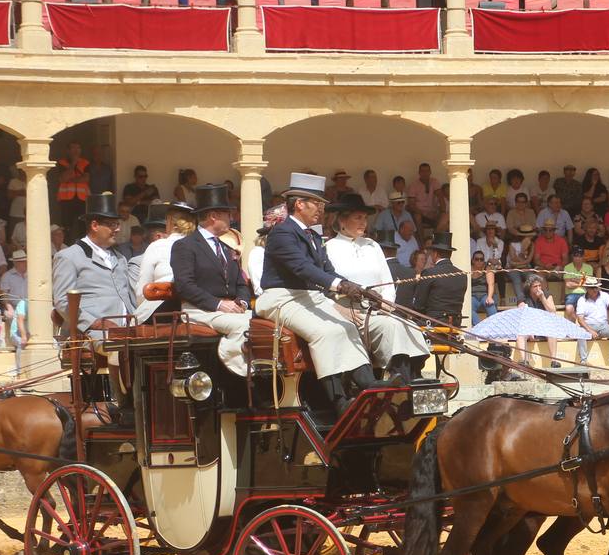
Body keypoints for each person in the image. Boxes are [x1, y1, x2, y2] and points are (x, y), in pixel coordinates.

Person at [254, 173, 382, 422]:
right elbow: (303, 268)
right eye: (317, 203)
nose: (322, 209)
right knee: (326, 331)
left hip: (309, 296)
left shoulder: (313, 235)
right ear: (299, 204)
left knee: (347, 327)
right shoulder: (282, 233)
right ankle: (338, 401)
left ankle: (371, 387)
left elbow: (326, 270)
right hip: (282, 298)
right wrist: (340, 286)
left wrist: (358, 288)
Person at [325, 195, 429, 383]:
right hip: (350, 313)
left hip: (379, 309)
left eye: (365, 218)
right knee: (391, 327)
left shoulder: (373, 246)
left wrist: (386, 305)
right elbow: (325, 286)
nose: (363, 223)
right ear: (342, 220)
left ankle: (415, 376)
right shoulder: (329, 248)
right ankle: (402, 379)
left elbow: (387, 282)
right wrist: (341, 309)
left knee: (410, 326)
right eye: (358, 218)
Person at [170, 185, 253, 377]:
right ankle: (238, 374)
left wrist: (241, 302)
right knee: (244, 325)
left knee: (265, 323)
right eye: (227, 214)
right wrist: (218, 304)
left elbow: (241, 283)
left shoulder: (226, 247)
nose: (231, 218)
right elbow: (184, 285)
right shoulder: (185, 246)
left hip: (229, 311)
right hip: (198, 310)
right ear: (214, 216)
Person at [52, 193, 138, 335]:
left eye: (117, 224)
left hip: (126, 331)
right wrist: (95, 323)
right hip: (90, 333)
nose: (118, 229)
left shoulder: (120, 258)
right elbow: (62, 301)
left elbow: (129, 296)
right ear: (95, 225)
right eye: (112, 225)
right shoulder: (68, 256)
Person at [412, 232, 467, 326]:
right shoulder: (462, 275)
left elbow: (419, 305)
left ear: (435, 254)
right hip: (455, 323)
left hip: (433, 323)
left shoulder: (429, 273)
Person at [574, 278, 609, 366]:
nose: (595, 289)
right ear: (587, 289)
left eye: (596, 287)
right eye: (592, 288)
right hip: (588, 326)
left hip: (604, 326)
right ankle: (583, 361)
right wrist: (590, 330)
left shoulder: (604, 295)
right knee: (580, 333)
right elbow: (580, 319)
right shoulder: (581, 300)